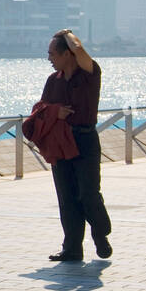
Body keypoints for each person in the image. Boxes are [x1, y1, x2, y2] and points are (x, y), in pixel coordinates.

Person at [42, 29, 111, 261]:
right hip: (61, 142)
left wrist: (68, 33)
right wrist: (55, 112)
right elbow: (40, 110)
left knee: (88, 194)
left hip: (85, 140)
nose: (49, 59)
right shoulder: (52, 82)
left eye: (53, 54)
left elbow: (79, 49)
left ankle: (100, 234)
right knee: (67, 197)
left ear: (67, 54)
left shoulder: (90, 74)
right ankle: (72, 248)